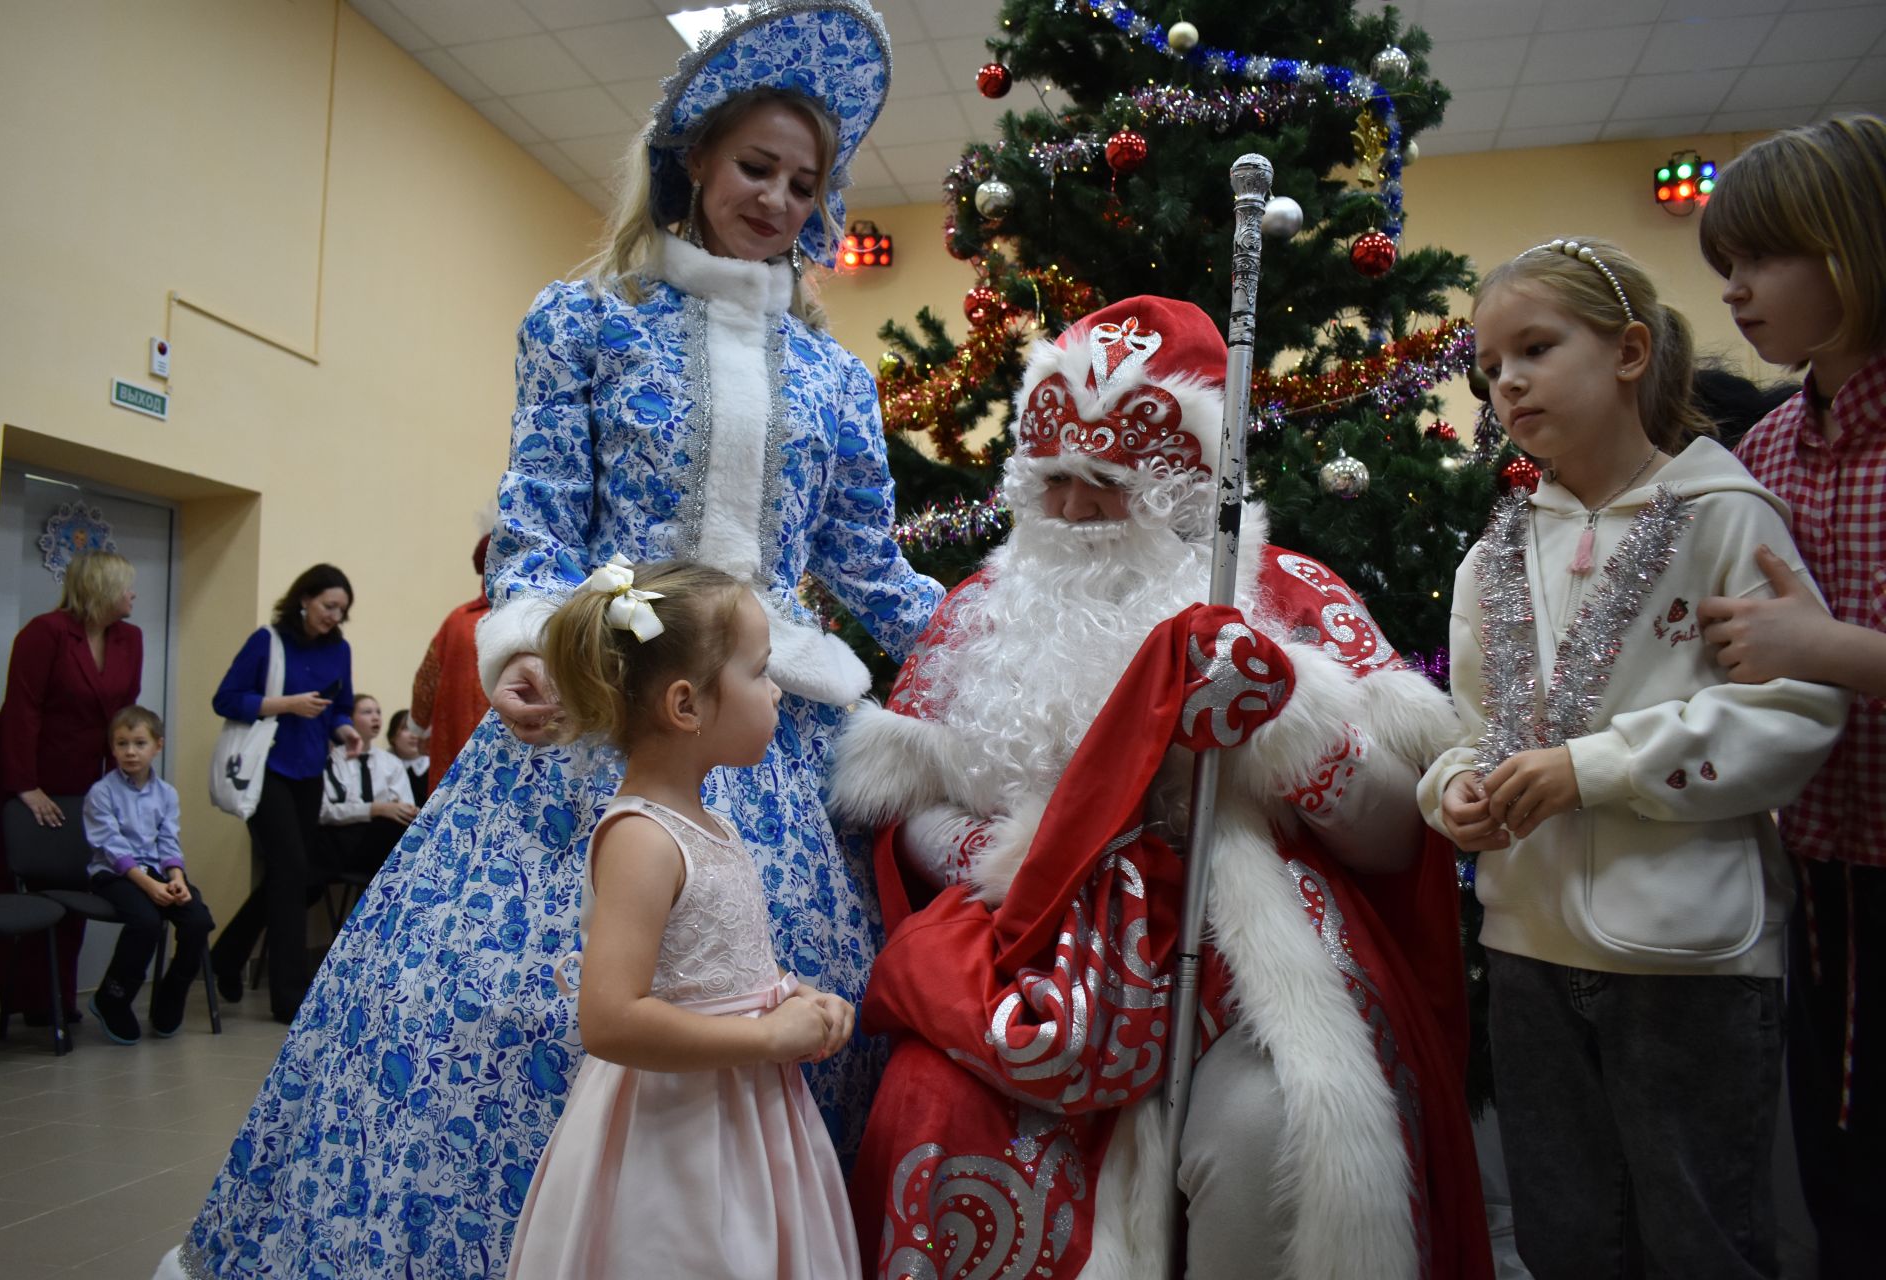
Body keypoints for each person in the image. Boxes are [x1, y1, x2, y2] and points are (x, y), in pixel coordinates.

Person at [164, 5, 939, 1276]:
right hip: (601, 721)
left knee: (794, 1006)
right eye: (757, 167)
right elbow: (536, 520)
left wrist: (993, 649)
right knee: (494, 1012)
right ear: (693, 158)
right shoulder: (583, 323)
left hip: (772, 747)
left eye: (805, 183)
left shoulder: (836, 380)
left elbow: (866, 568)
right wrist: (531, 637)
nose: (780, 200)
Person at [830, 296, 1490, 1279]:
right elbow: (908, 801)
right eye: (1050, 478)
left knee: (1269, 1138)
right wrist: (1024, 867)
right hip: (1025, 963)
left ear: (1180, 485)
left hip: (1239, 958)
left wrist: (1282, 729)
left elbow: (1401, 839)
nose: (1071, 508)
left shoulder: (1287, 596)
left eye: (1106, 480)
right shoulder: (980, 609)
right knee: (925, 1102)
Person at [1421, 235, 1850, 1280]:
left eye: (1534, 347)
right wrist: (1454, 791)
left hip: (1688, 961)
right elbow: (1468, 723)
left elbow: (1791, 711)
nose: (1507, 381)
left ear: (1627, 352)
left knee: (1699, 1239)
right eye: (1489, 366)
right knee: (1569, 1238)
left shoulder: (1725, 514)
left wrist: (1593, 767)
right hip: (1528, 954)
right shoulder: (1497, 548)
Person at [505, 560, 857, 1278]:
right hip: (676, 1140)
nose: (777, 688)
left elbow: (718, 969)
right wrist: (764, 1037)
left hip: (748, 1120)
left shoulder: (709, 825)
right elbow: (609, 1019)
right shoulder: (641, 838)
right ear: (686, 706)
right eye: (759, 672)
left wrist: (792, 999)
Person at [1693, 115, 1886, 1280]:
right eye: (1726, 268)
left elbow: (1800, 645)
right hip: (1821, 880)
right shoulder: (1765, 451)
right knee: (1838, 1168)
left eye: (1763, 260)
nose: (1737, 293)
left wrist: (1823, 646)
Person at [0, 549, 141, 1027]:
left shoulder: (129, 637)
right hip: (28, 772)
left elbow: (125, 711)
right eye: (127, 586)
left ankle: (57, 998)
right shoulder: (45, 632)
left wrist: (125, 780)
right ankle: (21, 1002)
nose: (134, 595)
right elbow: (23, 709)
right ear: (101, 589)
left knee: (74, 881)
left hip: (87, 779)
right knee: (24, 886)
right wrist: (25, 786)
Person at [207, 563, 360, 1023]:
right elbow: (226, 699)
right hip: (267, 769)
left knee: (289, 875)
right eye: (329, 605)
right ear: (304, 599)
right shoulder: (267, 642)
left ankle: (225, 958)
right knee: (292, 871)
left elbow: (340, 708)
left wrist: (347, 731)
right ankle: (289, 997)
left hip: (309, 770)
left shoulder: (340, 650)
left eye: (342, 611)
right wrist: (285, 705)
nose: (335, 616)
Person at [83, 706, 214, 1044]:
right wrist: (149, 885)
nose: (130, 751)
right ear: (112, 748)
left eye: (139, 743)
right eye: (122, 743)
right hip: (114, 874)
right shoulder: (102, 792)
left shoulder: (166, 794)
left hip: (157, 873)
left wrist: (177, 879)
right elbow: (112, 847)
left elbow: (169, 840)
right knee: (146, 923)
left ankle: (171, 995)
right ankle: (112, 998)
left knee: (197, 920)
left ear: (158, 745)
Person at [411, 534, 490, 796]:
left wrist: (418, 727)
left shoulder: (457, 621)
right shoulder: (533, 615)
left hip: (460, 741)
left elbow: (427, 678)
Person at [317, 693, 417, 881]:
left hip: (378, 840)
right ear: (348, 720)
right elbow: (323, 812)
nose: (375, 717)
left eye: (378, 712)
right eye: (366, 712)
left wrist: (408, 810)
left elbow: (405, 806)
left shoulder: (391, 763)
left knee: (406, 831)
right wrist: (374, 809)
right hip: (340, 840)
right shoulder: (331, 760)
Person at [385, 708, 431, 805]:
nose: (414, 736)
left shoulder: (434, 767)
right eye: (406, 729)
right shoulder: (382, 764)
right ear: (392, 736)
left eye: (418, 729)